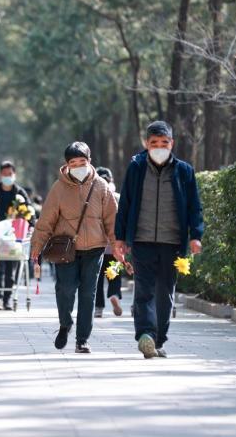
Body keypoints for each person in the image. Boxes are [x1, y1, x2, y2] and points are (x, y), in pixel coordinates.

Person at [115, 121, 204, 359]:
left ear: (172, 143)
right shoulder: (136, 168)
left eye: (164, 142)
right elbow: (125, 205)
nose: (159, 147)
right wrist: (120, 238)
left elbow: (195, 207)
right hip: (142, 240)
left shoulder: (184, 171)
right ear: (146, 143)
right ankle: (145, 334)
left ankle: (158, 338)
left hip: (173, 242)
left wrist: (196, 235)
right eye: (154, 143)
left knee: (165, 292)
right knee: (144, 290)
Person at [30, 142, 121, 353]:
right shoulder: (58, 188)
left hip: (95, 248)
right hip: (66, 249)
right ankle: (65, 324)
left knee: (88, 294)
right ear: (67, 164)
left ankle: (82, 340)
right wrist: (37, 245)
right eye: (74, 162)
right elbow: (46, 221)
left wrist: (117, 246)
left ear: (89, 162)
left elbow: (112, 220)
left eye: (82, 161)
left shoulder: (101, 186)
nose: (78, 165)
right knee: (65, 289)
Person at [0, 161, 32, 311]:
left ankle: (8, 300)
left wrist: (31, 226)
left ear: (14, 175)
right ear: (0, 175)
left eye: (10, 174)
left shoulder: (19, 192)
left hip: (14, 237)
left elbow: (29, 210)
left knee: (11, 269)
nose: (7, 177)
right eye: (4, 174)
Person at [94, 167, 123, 318]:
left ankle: (98, 307)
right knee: (114, 275)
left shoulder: (93, 198)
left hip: (97, 245)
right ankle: (114, 295)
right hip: (115, 245)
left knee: (97, 279)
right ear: (111, 180)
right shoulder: (118, 197)